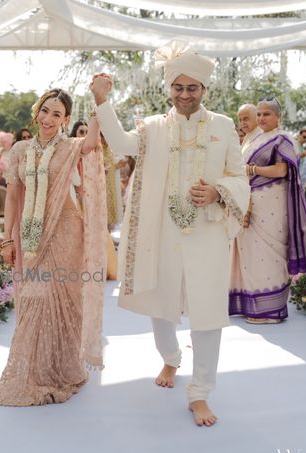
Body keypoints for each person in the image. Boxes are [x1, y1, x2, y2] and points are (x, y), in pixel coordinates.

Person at [91, 42, 250, 427]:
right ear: (169, 90)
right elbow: (122, 144)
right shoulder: (154, 127)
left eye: (192, 88)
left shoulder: (224, 127)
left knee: (208, 313)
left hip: (207, 233)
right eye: (178, 87)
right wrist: (102, 102)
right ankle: (171, 357)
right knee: (161, 305)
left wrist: (217, 192)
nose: (184, 95)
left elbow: (239, 176)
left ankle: (199, 394)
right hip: (162, 231)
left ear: (204, 90)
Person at [0, 88, 106, 407]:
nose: (49, 118)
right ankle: (33, 370)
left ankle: (61, 368)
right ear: (36, 111)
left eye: (57, 114)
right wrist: (8, 238)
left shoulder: (69, 146)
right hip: (30, 232)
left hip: (66, 228)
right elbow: (12, 196)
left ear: (66, 119)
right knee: (34, 299)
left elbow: (93, 144)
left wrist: (99, 104)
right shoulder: (20, 150)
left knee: (63, 298)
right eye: (45, 110)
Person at [230, 98, 306, 324]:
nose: (261, 119)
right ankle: (252, 303)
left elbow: (281, 170)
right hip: (251, 203)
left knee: (269, 254)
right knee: (251, 254)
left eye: (266, 114)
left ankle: (270, 310)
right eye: (259, 114)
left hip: (272, 205)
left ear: (278, 117)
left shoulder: (283, 139)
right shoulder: (255, 138)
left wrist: (253, 169)